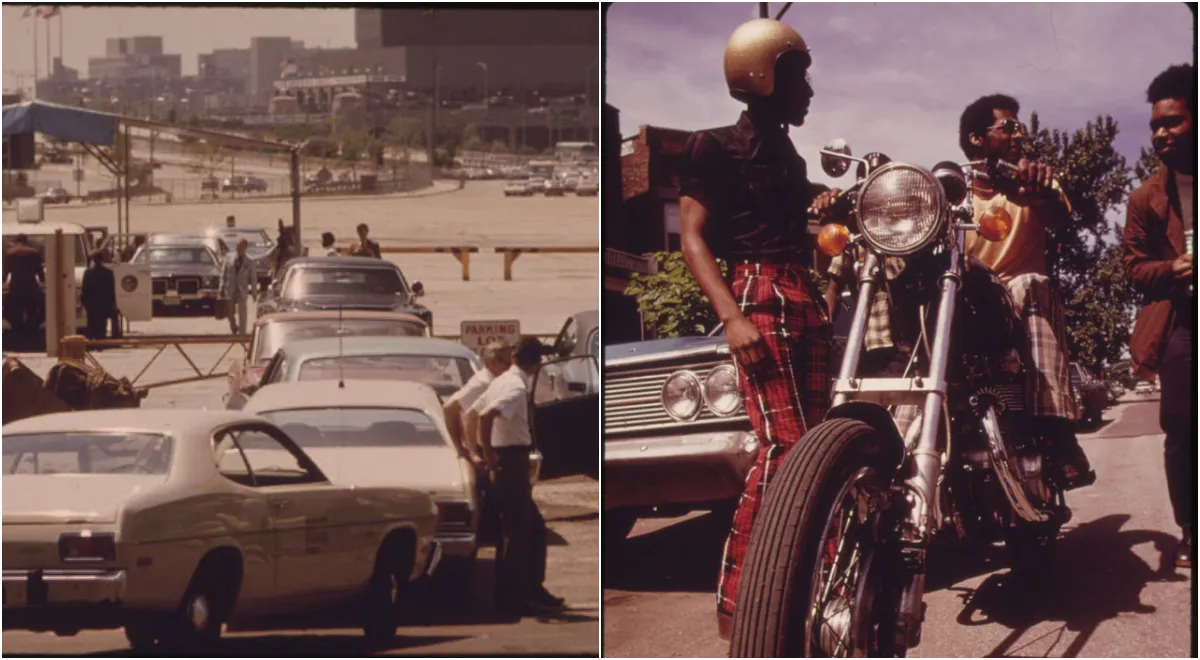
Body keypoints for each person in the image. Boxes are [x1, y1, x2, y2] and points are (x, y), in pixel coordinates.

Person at [676, 18, 841, 638]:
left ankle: (809, 592)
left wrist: (819, 205)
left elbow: (796, 231)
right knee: (785, 449)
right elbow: (692, 238)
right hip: (757, 292)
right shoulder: (712, 145)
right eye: (800, 76)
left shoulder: (789, 156)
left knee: (817, 448)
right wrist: (732, 316)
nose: (809, 90)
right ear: (764, 75)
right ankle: (743, 609)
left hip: (801, 292)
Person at [958, 93, 1095, 490]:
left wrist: (1038, 194)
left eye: (1021, 128)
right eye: (1009, 127)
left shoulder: (1034, 178)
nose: (1020, 135)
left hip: (1017, 296)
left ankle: (1057, 433)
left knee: (1032, 283)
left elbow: (1059, 219)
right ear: (976, 139)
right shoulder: (954, 190)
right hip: (968, 299)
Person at [1123, 63, 1195, 570]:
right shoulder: (1146, 196)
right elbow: (1131, 267)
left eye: (1171, 121)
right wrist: (1173, 266)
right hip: (1181, 319)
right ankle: (1192, 529)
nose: (1161, 133)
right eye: (1155, 125)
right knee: (1182, 423)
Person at [478, 337, 565, 617]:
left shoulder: (502, 380)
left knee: (533, 529)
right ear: (536, 362)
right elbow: (484, 416)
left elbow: (471, 414)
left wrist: (478, 450)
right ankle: (513, 598)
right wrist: (488, 454)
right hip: (509, 461)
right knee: (518, 534)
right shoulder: (514, 387)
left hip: (511, 459)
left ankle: (529, 588)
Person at [444, 341, 514, 470]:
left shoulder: (500, 380)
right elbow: (450, 408)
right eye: (507, 363)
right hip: (485, 451)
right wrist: (466, 451)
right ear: (490, 363)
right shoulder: (482, 383)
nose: (511, 366)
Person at [3, 234, 46, 337]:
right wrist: (42, 280)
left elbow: (5, 272)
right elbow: (39, 271)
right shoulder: (34, 253)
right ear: (26, 241)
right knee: (33, 310)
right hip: (30, 285)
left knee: (15, 311)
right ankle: (32, 331)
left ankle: (16, 332)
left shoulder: (10, 254)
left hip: (16, 286)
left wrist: (4, 281)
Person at [219, 239, 256, 335]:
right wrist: (221, 287)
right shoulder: (228, 258)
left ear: (245, 248)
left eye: (241, 247)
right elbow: (223, 274)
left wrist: (254, 292)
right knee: (230, 313)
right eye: (237, 246)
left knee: (242, 313)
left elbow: (253, 278)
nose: (238, 248)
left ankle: (242, 334)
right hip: (230, 288)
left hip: (242, 290)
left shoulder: (249, 261)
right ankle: (234, 326)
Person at [80, 250, 116, 340]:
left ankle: (92, 343)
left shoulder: (88, 273)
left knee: (91, 324)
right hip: (104, 304)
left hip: (91, 305)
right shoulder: (108, 273)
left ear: (93, 260)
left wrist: (84, 303)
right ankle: (101, 342)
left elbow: (84, 290)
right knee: (102, 326)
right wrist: (112, 304)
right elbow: (111, 291)